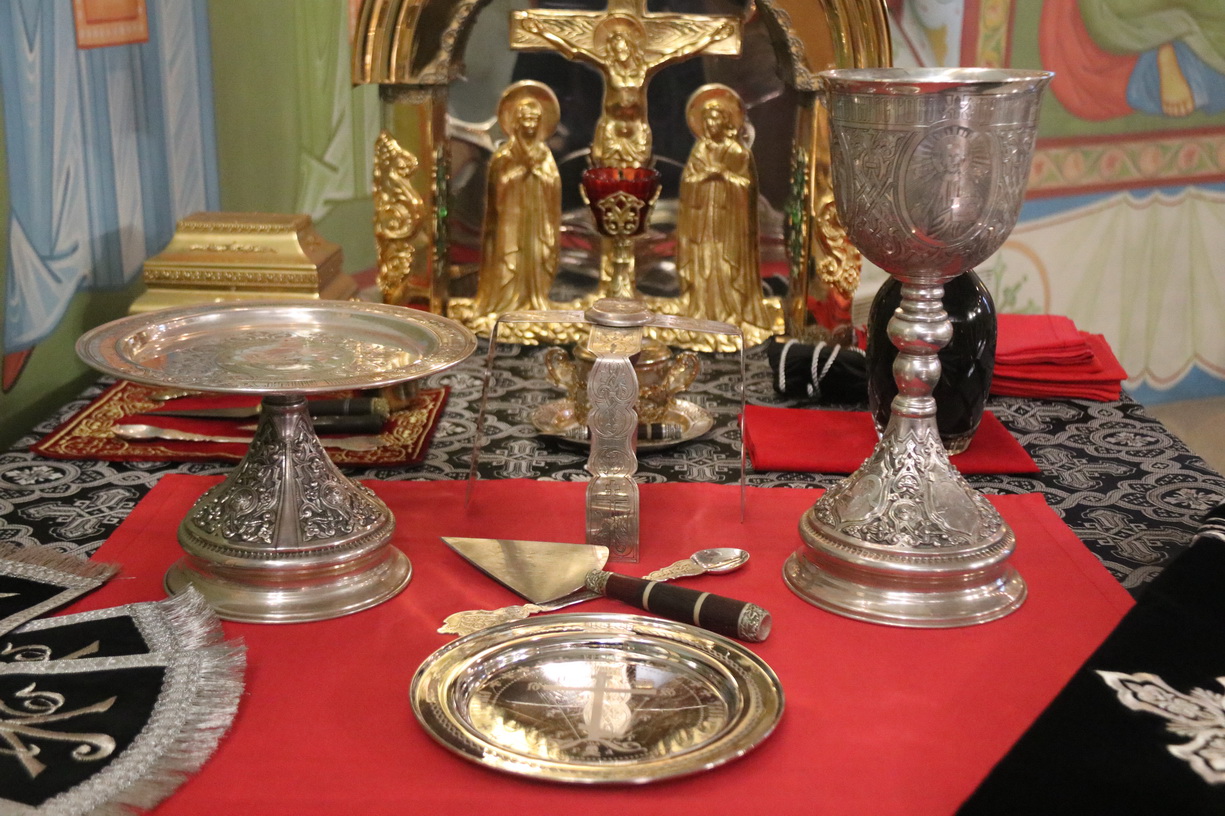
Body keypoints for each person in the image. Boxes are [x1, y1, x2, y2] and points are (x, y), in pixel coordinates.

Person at [676, 85, 771, 328]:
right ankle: (703, 311)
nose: (710, 124)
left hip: (729, 224)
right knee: (704, 263)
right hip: (703, 221)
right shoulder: (700, 151)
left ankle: (731, 312)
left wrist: (724, 175)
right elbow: (688, 182)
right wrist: (704, 177)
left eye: (715, 119)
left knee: (726, 266)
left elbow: (746, 187)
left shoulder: (737, 152)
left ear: (726, 121)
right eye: (707, 120)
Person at [473, 81, 562, 314]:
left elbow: (553, 183)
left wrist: (538, 173)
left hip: (537, 218)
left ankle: (535, 299)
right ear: (515, 122)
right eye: (525, 120)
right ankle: (505, 304)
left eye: (534, 120)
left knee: (537, 255)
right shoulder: (505, 155)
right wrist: (519, 173)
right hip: (511, 221)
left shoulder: (544, 154)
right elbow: (498, 188)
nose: (530, 125)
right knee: (508, 260)